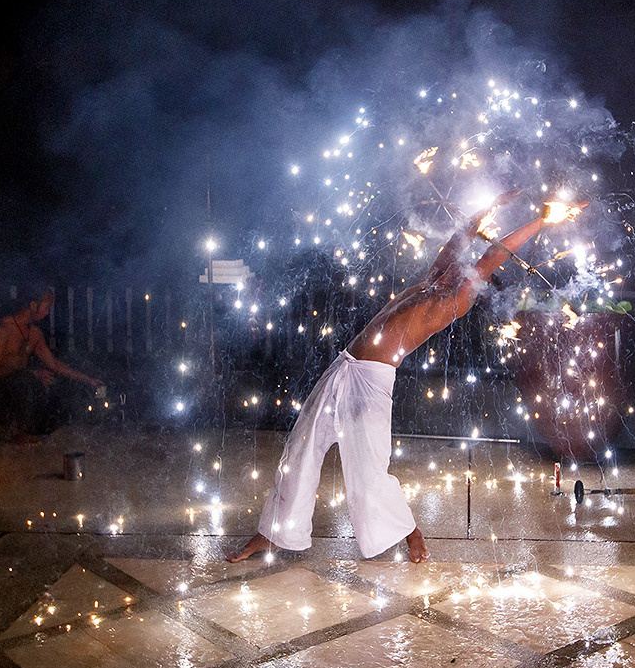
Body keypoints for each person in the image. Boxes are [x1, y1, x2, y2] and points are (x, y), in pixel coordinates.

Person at [228, 190, 580, 563]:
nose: (458, 263)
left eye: (468, 269)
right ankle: (274, 533)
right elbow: (460, 237)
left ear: (476, 285)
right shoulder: (436, 279)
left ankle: (410, 532)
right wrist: (495, 204)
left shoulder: (456, 299)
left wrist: (543, 219)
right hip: (344, 366)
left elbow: (494, 254)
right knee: (299, 448)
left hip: (372, 382)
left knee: (368, 472)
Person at [0, 288, 103, 443]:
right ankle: (19, 432)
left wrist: (88, 380)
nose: (47, 313)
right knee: (26, 379)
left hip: (23, 387)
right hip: (2, 391)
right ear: (34, 305)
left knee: (52, 379)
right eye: (46, 307)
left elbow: (54, 364)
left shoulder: (34, 333)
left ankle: (42, 427)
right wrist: (31, 373)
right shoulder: (4, 328)